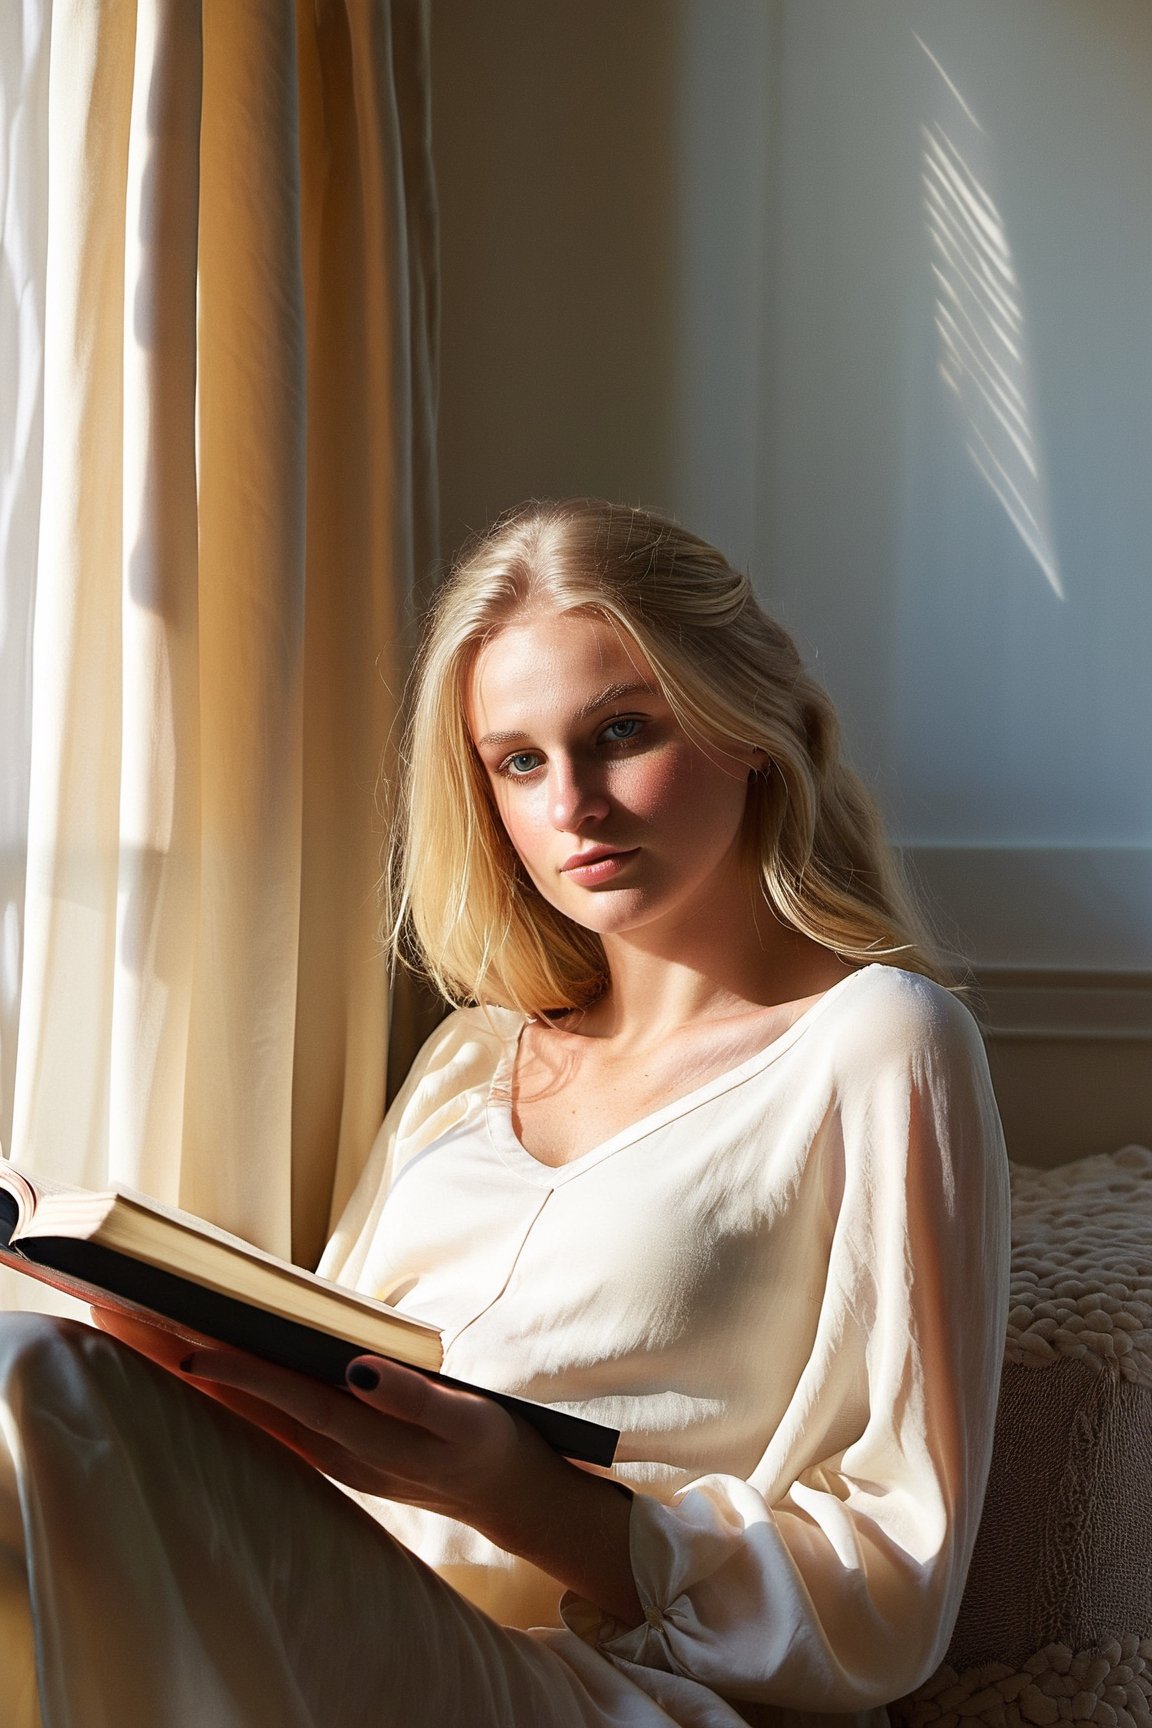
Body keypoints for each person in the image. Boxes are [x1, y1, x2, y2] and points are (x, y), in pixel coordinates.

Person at [0, 499, 1010, 1728]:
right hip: (354, 1623)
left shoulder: (879, 1045)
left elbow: (897, 1582)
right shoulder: (470, 1058)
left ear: (754, 728)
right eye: (519, 761)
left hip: (595, 1688)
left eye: (620, 731)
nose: (571, 802)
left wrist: (517, 1496)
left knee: (34, 1376)